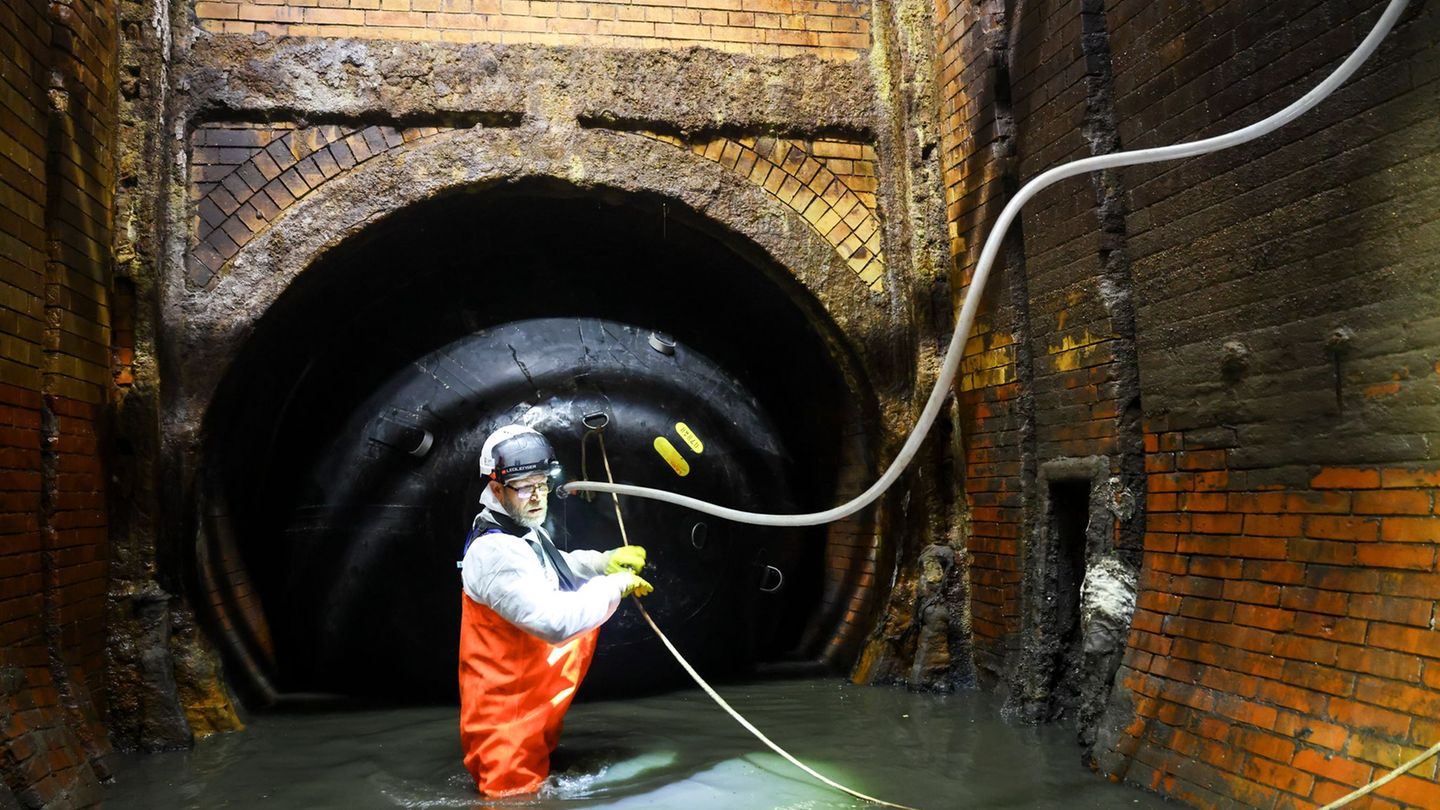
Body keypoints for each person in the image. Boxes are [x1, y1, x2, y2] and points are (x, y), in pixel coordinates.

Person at [457, 423, 653, 797]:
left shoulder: (514, 528)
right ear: (497, 488)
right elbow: (556, 624)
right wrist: (613, 585)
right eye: (526, 487)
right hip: (506, 727)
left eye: (543, 483)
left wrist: (600, 562)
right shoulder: (495, 553)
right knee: (513, 797)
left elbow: (549, 565)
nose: (538, 496)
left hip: (527, 714)